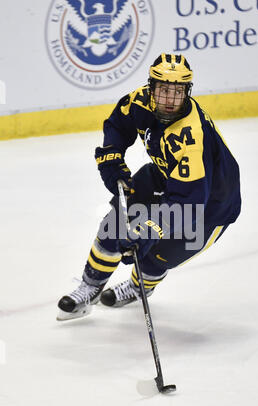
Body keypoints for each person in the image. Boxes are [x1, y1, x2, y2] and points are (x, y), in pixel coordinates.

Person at [57, 53, 241, 321]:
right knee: (115, 225)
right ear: (152, 87)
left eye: (177, 92)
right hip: (165, 176)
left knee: (156, 254)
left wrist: (148, 229)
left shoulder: (191, 137)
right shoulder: (141, 100)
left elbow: (187, 204)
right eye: (163, 89)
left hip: (210, 203)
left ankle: (138, 286)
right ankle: (91, 285)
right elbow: (118, 125)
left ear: (187, 91)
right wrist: (112, 157)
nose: (169, 100)